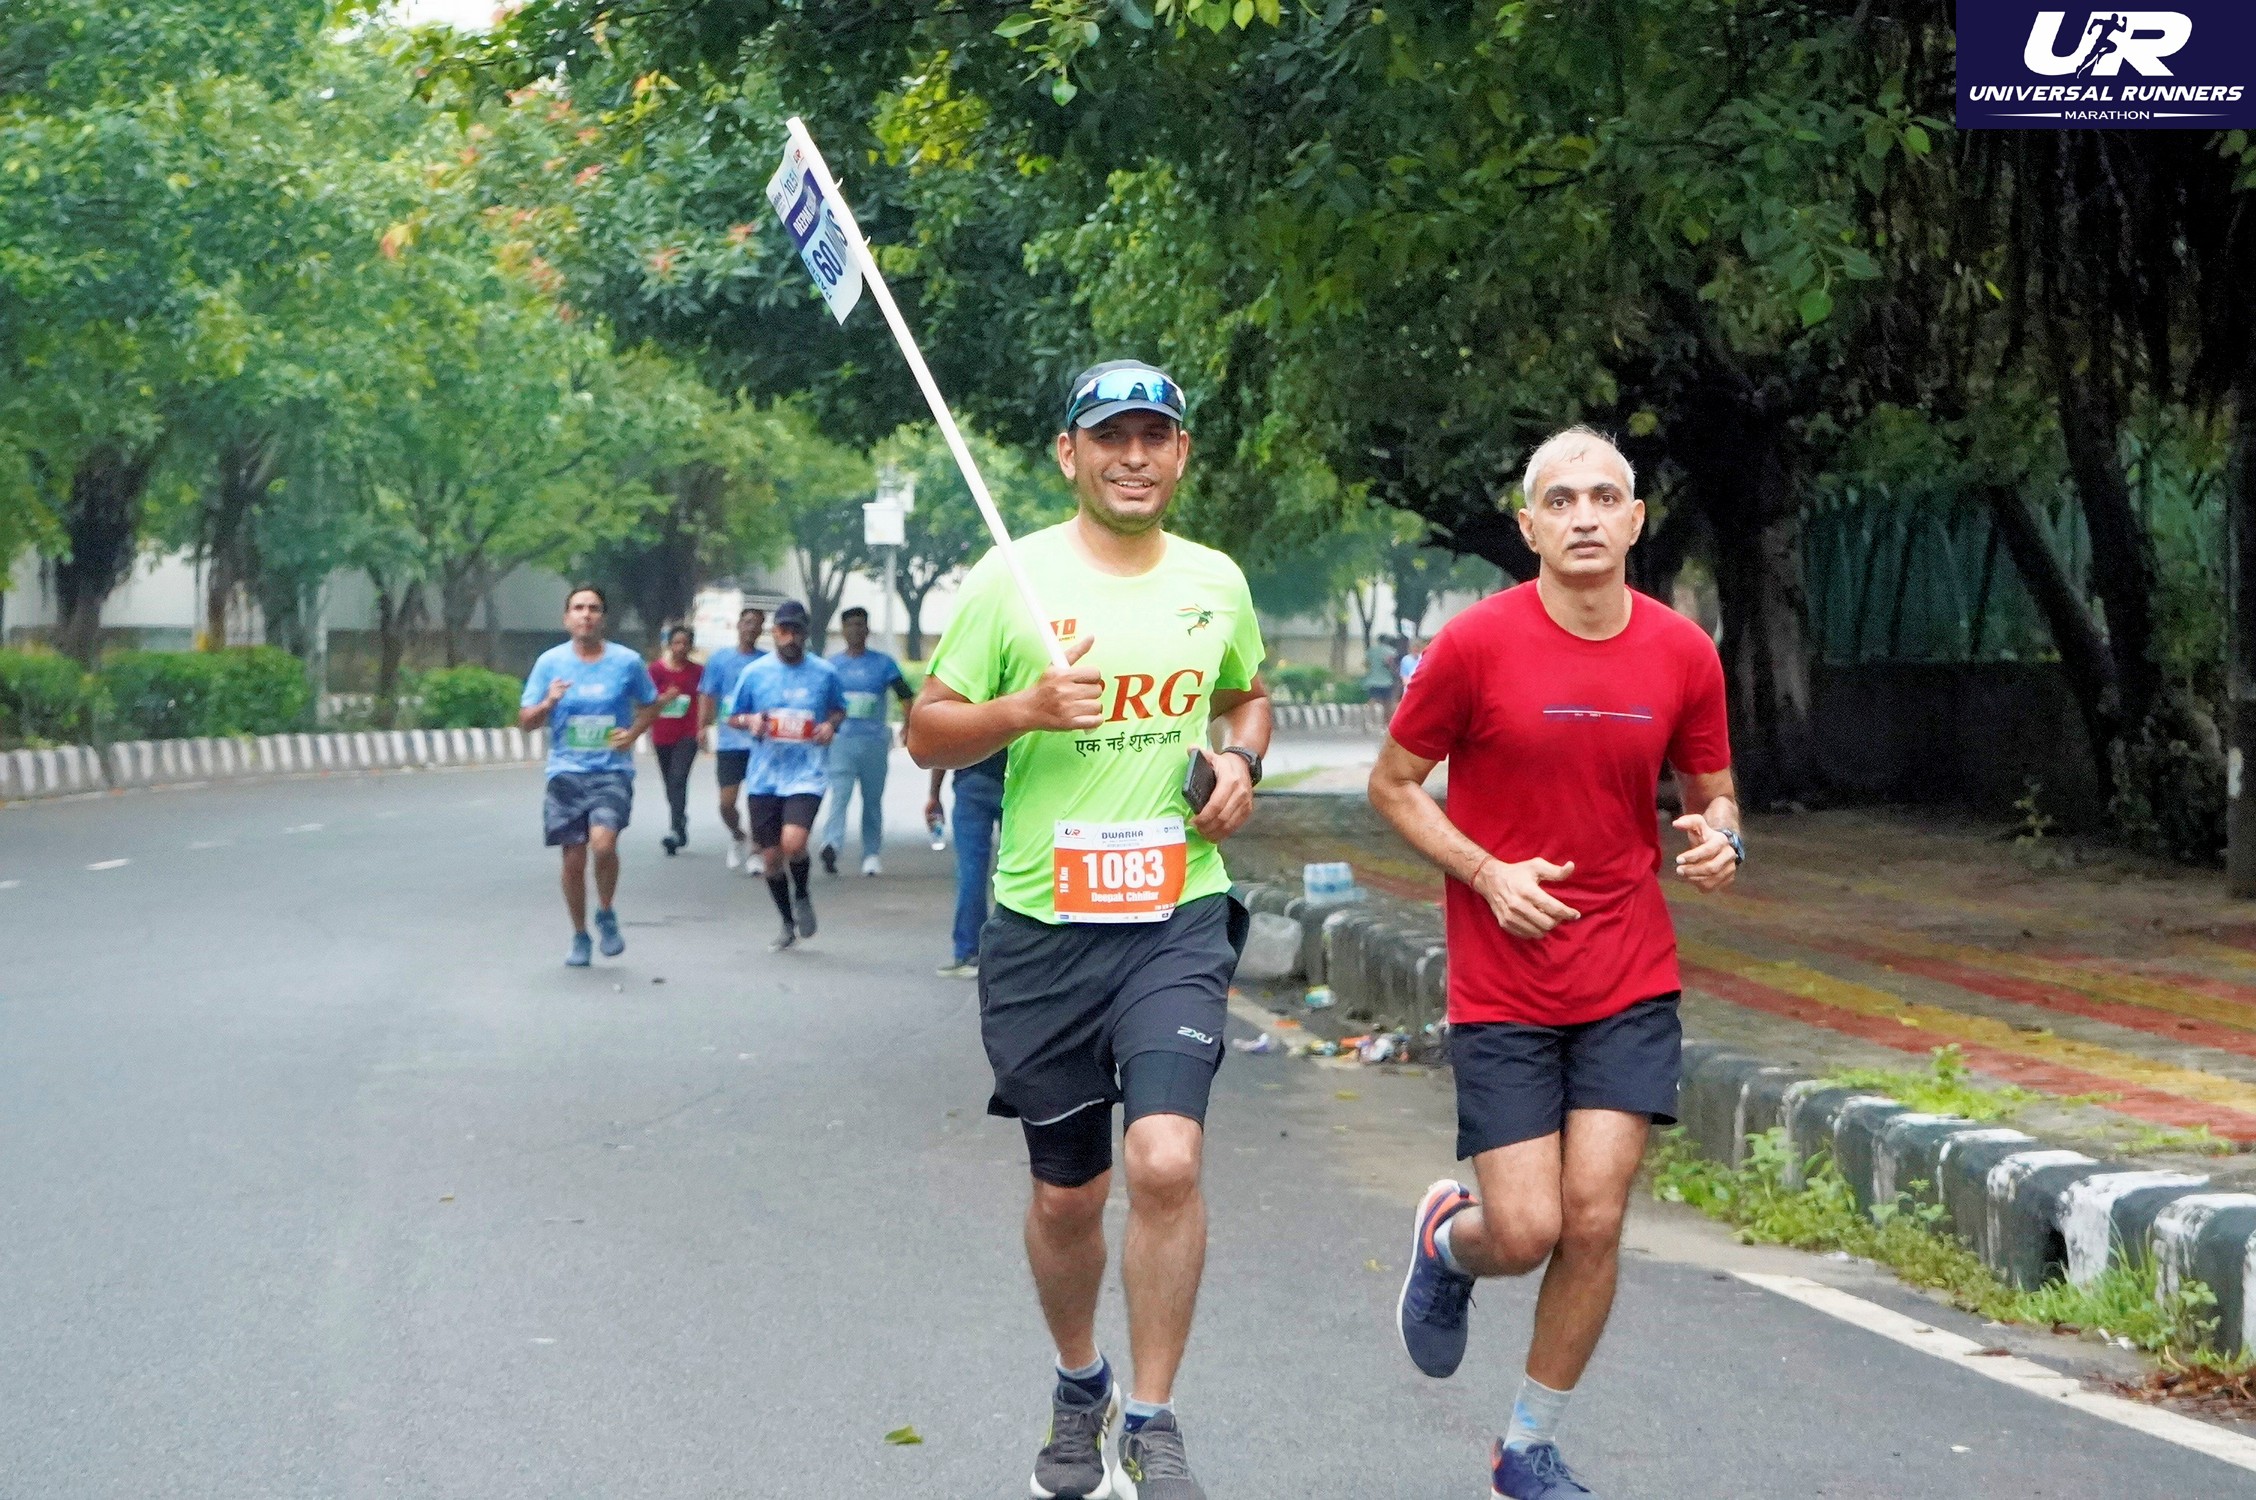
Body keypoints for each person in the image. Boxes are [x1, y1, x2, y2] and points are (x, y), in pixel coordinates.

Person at [906, 359, 1269, 1500]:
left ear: (1182, 454)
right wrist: (1022, 709)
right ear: (1069, 454)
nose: (1134, 458)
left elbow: (1248, 696)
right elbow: (926, 732)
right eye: (1111, 437)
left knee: (1166, 1158)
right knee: (1069, 1193)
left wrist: (1242, 763)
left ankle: (1152, 1420)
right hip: (1042, 927)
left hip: (1176, 913)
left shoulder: (1215, 581)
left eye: (1155, 436)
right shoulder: (1008, 580)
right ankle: (1081, 1385)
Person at [1371, 426, 1741, 1500]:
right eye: (1561, 500)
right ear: (1528, 526)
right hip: (1504, 980)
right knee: (1527, 1228)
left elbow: (1714, 791)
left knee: (1594, 1217)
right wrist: (1487, 873)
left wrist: (1723, 839)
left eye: (1605, 497)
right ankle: (1448, 1243)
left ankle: (1526, 1446)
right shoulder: (1475, 647)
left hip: (1629, 971)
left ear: (1636, 521)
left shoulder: (1684, 652)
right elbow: (1392, 785)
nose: (1585, 517)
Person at [518, 585, 660, 967]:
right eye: (578, 608)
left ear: (604, 618)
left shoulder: (627, 662)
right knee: (573, 860)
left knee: (603, 845)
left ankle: (606, 911)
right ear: (566, 618)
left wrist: (633, 733)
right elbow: (526, 721)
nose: (586, 615)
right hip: (566, 771)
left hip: (612, 770)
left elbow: (651, 704)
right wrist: (549, 702)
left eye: (594, 608)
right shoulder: (549, 663)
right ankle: (580, 934)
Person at [725, 599, 845, 951]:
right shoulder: (755, 673)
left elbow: (838, 710)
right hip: (764, 776)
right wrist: (750, 721)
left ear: (806, 634)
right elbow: (733, 716)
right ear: (774, 633)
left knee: (794, 843)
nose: (790, 637)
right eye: (784, 630)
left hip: (807, 772)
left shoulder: (824, 673)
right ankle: (787, 922)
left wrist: (829, 726)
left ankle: (803, 893)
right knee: (771, 858)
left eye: (797, 631)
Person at [819, 605, 914, 877]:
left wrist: (908, 725)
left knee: (872, 800)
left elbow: (906, 696)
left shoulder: (884, 664)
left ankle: (871, 853)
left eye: (860, 625)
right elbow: (821, 700)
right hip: (842, 741)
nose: (855, 630)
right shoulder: (832, 666)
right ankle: (831, 844)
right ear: (842, 630)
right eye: (850, 625)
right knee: (840, 795)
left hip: (873, 742)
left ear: (867, 629)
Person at [698, 605, 767, 874]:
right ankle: (738, 834)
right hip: (730, 742)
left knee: (758, 801)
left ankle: (757, 851)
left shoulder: (766, 662)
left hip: (760, 742)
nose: (751, 627)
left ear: (762, 630)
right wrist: (702, 727)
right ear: (738, 625)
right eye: (747, 622)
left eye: (757, 624)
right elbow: (708, 694)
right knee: (726, 804)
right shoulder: (720, 659)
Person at [927, 747, 1007, 979]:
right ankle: (1016, 951)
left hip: (972, 780)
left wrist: (934, 794)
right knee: (1020, 867)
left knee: (970, 871)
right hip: (1017, 780)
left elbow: (944, 743)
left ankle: (970, 953)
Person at [648, 624, 702, 854]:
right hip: (662, 734)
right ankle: (680, 820)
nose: (681, 647)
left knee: (679, 778)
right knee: (670, 782)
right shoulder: (656, 671)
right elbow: (646, 702)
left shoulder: (698, 671)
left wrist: (702, 727)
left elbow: (705, 699)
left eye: (685, 643)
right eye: (677, 643)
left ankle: (675, 829)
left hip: (688, 734)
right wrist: (664, 698)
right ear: (669, 645)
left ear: (691, 646)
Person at [1362, 633, 1399, 706]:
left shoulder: (1371, 650)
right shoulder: (1391, 651)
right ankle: (1386, 714)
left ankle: (1370, 712)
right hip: (1386, 681)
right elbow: (1391, 664)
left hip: (1372, 680)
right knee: (1387, 702)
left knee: (1373, 700)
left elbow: (1366, 664)